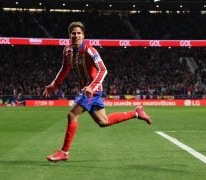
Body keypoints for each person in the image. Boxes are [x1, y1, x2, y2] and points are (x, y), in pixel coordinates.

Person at [44, 21, 151, 162]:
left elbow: (103, 69)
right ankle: (136, 113)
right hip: (87, 91)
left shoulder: (90, 50)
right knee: (103, 121)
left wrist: (91, 87)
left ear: (83, 35)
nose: (76, 36)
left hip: (92, 90)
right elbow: (65, 69)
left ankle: (64, 152)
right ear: (69, 36)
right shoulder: (67, 50)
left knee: (72, 115)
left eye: (78, 33)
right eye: (73, 33)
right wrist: (54, 85)